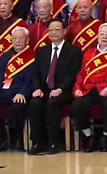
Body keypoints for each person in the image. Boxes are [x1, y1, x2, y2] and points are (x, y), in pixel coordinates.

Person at [27, 21, 82, 155]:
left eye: (57, 30)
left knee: (53, 103)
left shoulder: (74, 52)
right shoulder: (42, 52)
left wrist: (60, 89)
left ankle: (54, 142)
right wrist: (37, 88)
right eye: (51, 30)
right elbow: (36, 73)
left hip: (64, 91)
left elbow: (73, 75)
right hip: (45, 89)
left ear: (64, 31)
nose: (53, 33)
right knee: (35, 103)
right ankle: (38, 142)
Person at [72, 23, 107, 152]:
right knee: (77, 105)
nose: (104, 37)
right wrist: (77, 88)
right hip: (90, 89)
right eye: (102, 34)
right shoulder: (89, 53)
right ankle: (89, 137)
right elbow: (82, 74)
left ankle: (105, 137)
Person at [0, 27, 34, 151]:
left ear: (27, 40)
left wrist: (22, 93)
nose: (17, 41)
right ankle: (0, 138)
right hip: (3, 93)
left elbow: (31, 79)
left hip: (20, 93)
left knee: (17, 108)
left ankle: (17, 138)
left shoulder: (32, 56)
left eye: (21, 38)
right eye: (14, 38)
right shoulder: (5, 56)